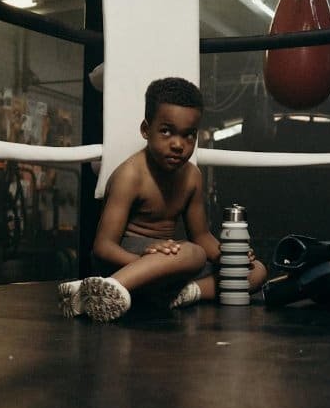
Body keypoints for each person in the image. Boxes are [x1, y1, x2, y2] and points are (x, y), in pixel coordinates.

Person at [58, 76, 267, 322]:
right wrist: (148, 262)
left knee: (256, 272)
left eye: (188, 135)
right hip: (125, 262)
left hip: (169, 264)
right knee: (194, 254)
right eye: (166, 131)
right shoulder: (131, 175)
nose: (178, 144)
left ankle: (187, 294)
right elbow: (103, 248)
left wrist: (231, 256)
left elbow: (201, 236)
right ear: (146, 130)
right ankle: (110, 287)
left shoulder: (192, 177)